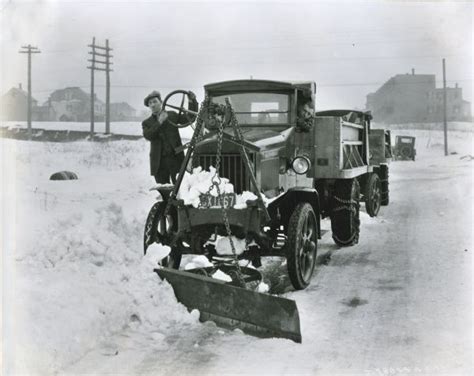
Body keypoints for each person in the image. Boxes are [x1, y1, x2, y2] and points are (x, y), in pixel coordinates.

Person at [142, 90, 198, 184]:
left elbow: (189, 119)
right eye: (150, 103)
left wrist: (192, 101)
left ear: (161, 102)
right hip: (159, 163)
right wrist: (159, 122)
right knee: (163, 190)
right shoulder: (147, 123)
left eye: (155, 101)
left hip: (176, 158)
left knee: (180, 187)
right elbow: (148, 135)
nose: (152, 105)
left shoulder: (172, 115)